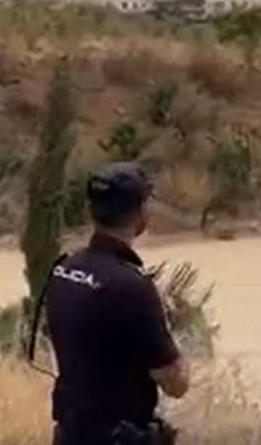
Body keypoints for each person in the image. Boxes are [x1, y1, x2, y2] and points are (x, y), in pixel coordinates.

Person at [46, 162, 190, 445]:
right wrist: (168, 324)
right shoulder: (132, 286)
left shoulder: (63, 269)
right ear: (141, 213)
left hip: (70, 434)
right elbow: (176, 383)